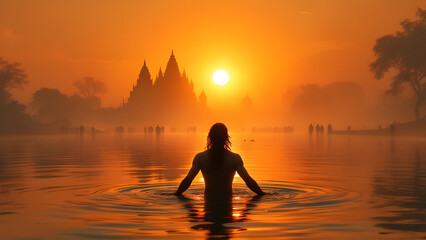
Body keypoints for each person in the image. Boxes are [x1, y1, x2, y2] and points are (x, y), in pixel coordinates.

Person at [174, 123, 265, 196]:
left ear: (210, 137)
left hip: (208, 201)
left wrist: (176, 194)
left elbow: (188, 180)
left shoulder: (200, 158)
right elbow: (248, 181)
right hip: (227, 201)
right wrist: (262, 194)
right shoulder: (234, 158)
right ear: (226, 138)